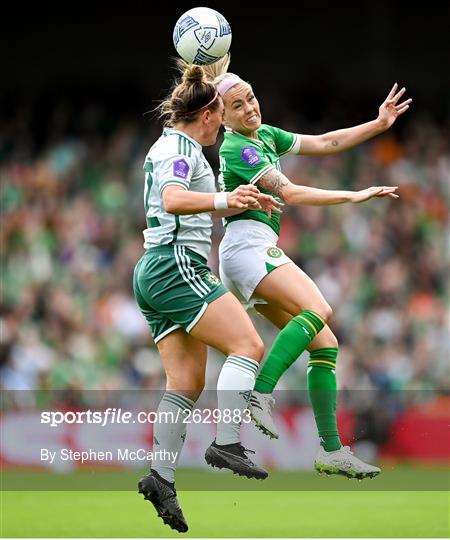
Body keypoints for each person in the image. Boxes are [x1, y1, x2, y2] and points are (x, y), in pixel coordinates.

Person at [204, 56, 411, 480]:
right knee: (319, 308)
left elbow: (324, 142)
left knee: (325, 343)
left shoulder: (264, 135)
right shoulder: (236, 146)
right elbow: (291, 193)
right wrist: (353, 196)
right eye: (239, 106)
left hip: (250, 251)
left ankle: (332, 450)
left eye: (252, 99)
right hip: (248, 247)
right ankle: (260, 392)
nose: (251, 109)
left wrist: (377, 125)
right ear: (222, 117)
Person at [133, 61, 282, 533]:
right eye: (222, 114)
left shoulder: (174, 143)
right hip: (176, 263)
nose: (225, 124)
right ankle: (226, 441)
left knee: (185, 382)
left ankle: (161, 477)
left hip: (156, 268)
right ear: (207, 115)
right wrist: (227, 200)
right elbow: (175, 199)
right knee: (249, 345)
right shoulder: (179, 148)